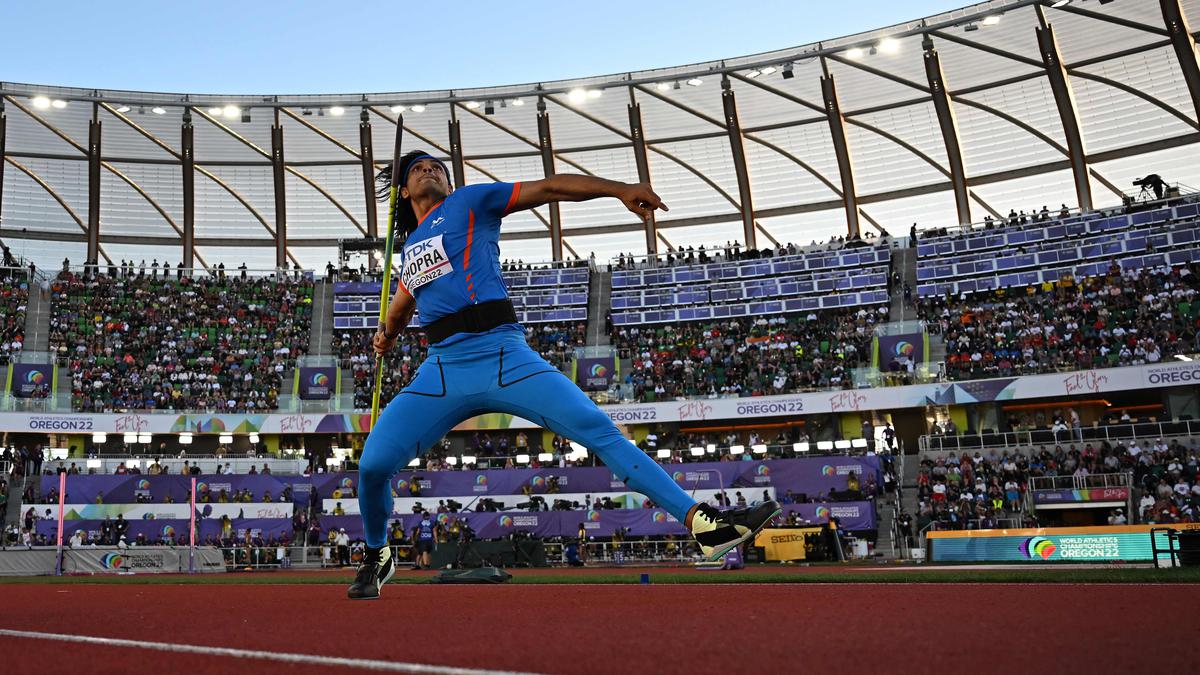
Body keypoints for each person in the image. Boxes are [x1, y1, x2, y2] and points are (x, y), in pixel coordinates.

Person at [348, 151, 779, 599]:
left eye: (436, 166)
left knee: (598, 430)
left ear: (450, 182)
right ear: (403, 190)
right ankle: (378, 554)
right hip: (442, 369)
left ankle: (705, 525)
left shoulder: (471, 202)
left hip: (503, 355)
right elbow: (399, 309)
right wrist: (387, 338)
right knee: (374, 466)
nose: (428, 170)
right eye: (417, 169)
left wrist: (618, 190)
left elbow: (550, 188)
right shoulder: (411, 250)